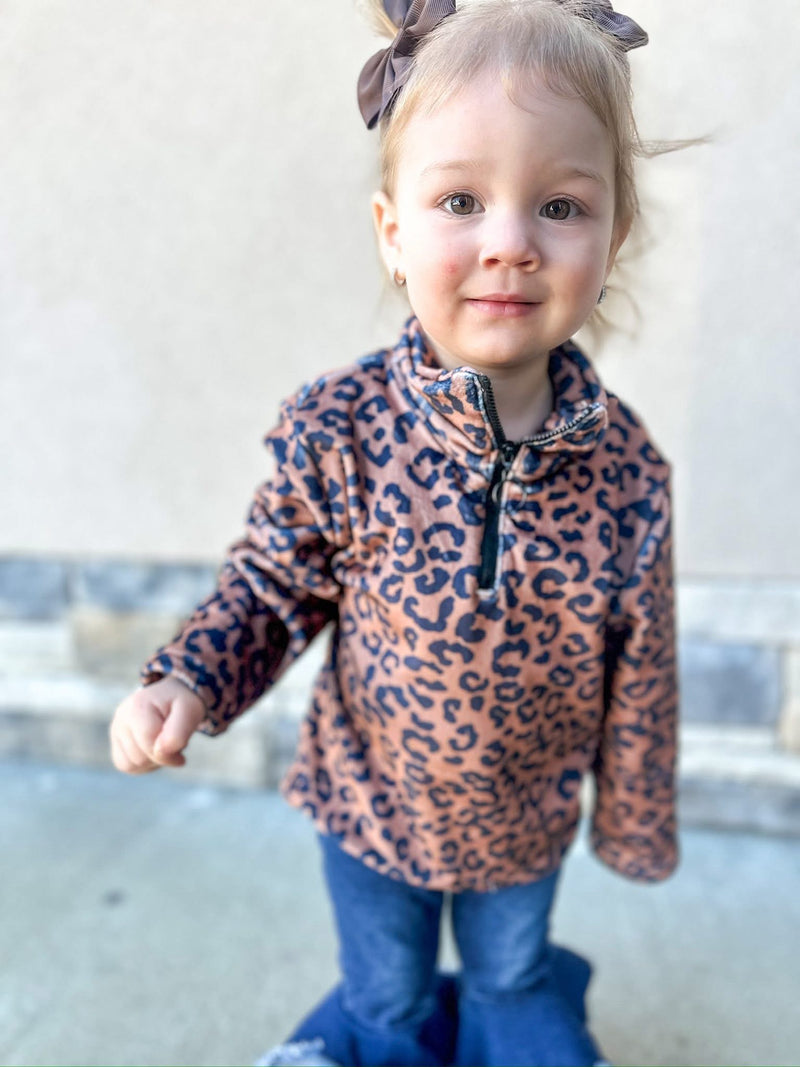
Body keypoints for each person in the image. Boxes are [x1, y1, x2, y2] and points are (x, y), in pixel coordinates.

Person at [109, 1, 680, 1064]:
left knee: (511, 978)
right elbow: (271, 585)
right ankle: (377, 1033)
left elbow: (641, 660)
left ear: (612, 238)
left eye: (559, 205)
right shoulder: (343, 432)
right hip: (371, 799)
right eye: (460, 200)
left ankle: (515, 1016)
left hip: (524, 815)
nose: (508, 243)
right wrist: (190, 678)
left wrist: (634, 818)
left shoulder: (625, 471)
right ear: (392, 232)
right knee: (386, 992)